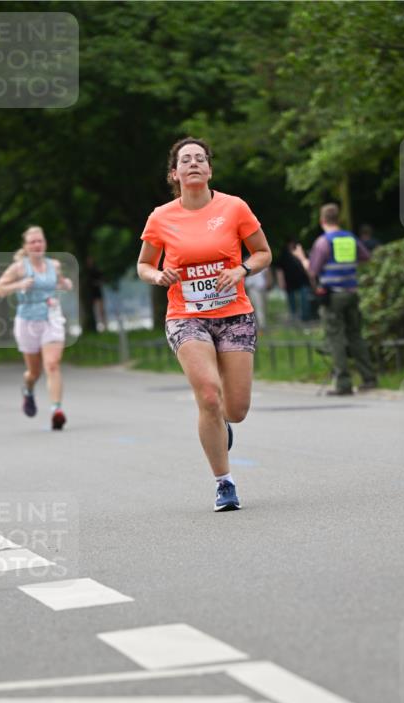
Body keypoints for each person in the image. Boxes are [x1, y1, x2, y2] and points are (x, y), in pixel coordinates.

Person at [137, 137, 272, 511]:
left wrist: (241, 270)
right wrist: (157, 276)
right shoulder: (160, 217)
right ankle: (224, 483)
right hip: (186, 316)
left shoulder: (234, 207)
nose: (194, 163)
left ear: (209, 169)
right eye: (186, 160)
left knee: (236, 409)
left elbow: (263, 253)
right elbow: (144, 264)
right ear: (174, 174)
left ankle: (221, 422)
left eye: (200, 158)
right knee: (209, 395)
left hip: (234, 314)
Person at [0, 226, 73, 430]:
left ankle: (56, 410)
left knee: (52, 364)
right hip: (27, 322)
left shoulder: (54, 265)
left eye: (40, 241)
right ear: (26, 246)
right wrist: (18, 285)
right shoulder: (18, 268)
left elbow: (61, 283)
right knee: (34, 372)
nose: (37, 244)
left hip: (51, 319)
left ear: (45, 243)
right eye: (32, 242)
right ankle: (28, 389)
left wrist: (65, 284)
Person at [295, 204, 377, 395]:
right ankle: (369, 379)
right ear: (338, 219)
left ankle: (343, 383)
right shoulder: (350, 238)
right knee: (356, 335)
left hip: (333, 296)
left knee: (336, 338)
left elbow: (312, 270)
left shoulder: (323, 242)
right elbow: (366, 257)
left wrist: (301, 258)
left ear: (322, 221)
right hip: (352, 292)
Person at [276, 239, 312, 324]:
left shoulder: (302, 253)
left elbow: (308, 266)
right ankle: (294, 316)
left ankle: (305, 317)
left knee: (304, 299)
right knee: (291, 300)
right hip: (289, 281)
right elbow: (279, 269)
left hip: (302, 280)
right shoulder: (284, 255)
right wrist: (281, 281)